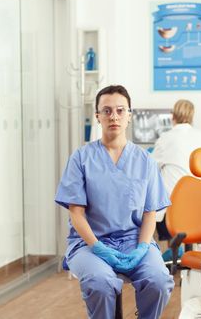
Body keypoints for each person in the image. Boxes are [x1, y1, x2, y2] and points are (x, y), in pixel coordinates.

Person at [55, 85, 174, 319]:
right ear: (97, 116)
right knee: (100, 282)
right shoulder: (81, 158)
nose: (114, 116)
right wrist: (98, 247)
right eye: (107, 111)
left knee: (159, 280)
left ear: (129, 115)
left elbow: (150, 213)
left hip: (134, 240)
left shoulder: (145, 161)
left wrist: (142, 247)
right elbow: (76, 214)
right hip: (90, 243)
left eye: (120, 110)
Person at [151, 99, 201, 253]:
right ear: (192, 116)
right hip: (196, 206)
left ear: (172, 116)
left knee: (151, 200)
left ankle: (167, 254)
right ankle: (183, 253)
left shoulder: (166, 138)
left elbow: (151, 166)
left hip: (171, 210)